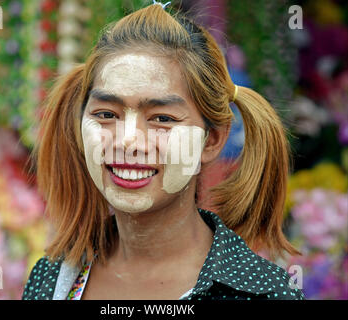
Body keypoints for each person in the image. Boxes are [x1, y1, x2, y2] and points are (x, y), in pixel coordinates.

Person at [22, 2, 304, 300]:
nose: (127, 141)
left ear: (212, 140)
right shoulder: (51, 279)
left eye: (162, 118)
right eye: (106, 114)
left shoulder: (261, 293)